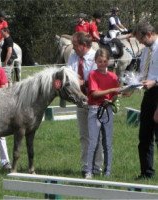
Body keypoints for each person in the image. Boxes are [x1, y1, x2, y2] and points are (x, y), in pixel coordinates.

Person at [67, 32, 103, 177]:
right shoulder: (73, 56)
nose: (73, 48)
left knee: (96, 135)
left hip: (95, 101)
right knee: (84, 135)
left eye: (75, 45)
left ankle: (97, 166)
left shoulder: (96, 57)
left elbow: (99, 78)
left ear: (83, 45)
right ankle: (86, 165)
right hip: (80, 101)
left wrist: (85, 82)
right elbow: (69, 74)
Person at [84, 48, 120, 179]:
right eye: (100, 61)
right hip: (95, 109)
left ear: (108, 61)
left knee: (108, 143)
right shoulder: (93, 74)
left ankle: (108, 171)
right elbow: (94, 93)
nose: (102, 64)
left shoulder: (113, 76)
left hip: (107, 109)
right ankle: (89, 170)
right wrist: (111, 90)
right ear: (96, 61)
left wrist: (111, 99)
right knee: (93, 141)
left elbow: (115, 95)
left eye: (105, 61)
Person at [132, 21, 158, 179]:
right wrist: (131, 86)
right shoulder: (145, 51)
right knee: (144, 135)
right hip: (148, 94)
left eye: (141, 39)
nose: (140, 42)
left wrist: (155, 82)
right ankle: (146, 172)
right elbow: (143, 74)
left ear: (148, 34)